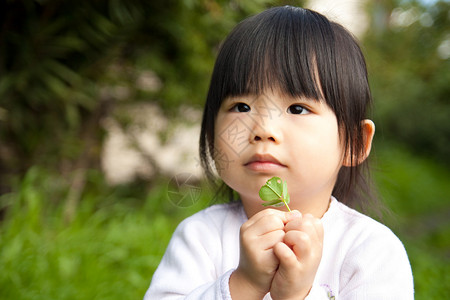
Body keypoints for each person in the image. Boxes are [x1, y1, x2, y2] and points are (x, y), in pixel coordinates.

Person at [144, 6, 414, 300]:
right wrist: (242, 286)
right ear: (210, 132)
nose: (263, 129)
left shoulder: (371, 252)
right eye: (241, 107)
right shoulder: (200, 238)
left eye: (297, 108)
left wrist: (299, 295)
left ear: (354, 143)